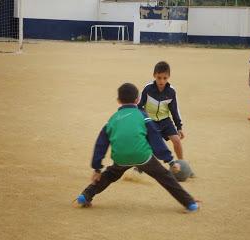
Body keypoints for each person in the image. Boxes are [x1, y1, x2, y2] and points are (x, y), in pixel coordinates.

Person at [75, 83, 199, 212]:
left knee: (108, 176)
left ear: (118, 101)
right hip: (142, 156)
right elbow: (155, 138)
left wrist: (97, 168)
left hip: (120, 158)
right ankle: (190, 203)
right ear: (138, 100)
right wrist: (170, 161)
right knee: (165, 177)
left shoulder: (112, 120)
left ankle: (85, 196)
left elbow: (100, 144)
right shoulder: (143, 116)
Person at [138, 61, 184, 160]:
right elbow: (139, 106)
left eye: (165, 78)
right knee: (149, 145)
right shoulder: (148, 89)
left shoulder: (171, 91)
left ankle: (182, 163)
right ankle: (140, 167)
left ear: (168, 77)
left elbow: (174, 110)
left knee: (176, 140)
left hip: (165, 120)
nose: (161, 81)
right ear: (154, 75)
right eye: (159, 78)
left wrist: (179, 127)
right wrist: (142, 119)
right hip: (150, 121)